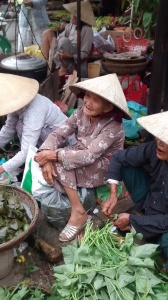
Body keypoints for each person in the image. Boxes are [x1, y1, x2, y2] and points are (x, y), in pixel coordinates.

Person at [34, 73, 131, 242]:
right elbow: (58, 134)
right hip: (80, 156)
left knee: (62, 163)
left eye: (96, 100)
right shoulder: (80, 113)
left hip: (104, 165)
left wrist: (52, 156)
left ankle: (78, 212)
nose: (87, 102)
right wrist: (46, 155)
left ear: (108, 107)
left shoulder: (113, 127)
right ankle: (79, 209)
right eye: (87, 96)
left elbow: (89, 156)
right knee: (58, 160)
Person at [102, 111, 168, 269]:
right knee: (128, 165)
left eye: (166, 140)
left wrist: (133, 221)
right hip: (150, 201)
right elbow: (118, 157)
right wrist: (113, 194)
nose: (159, 142)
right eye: (160, 136)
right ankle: (142, 214)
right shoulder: (154, 149)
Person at [0, 73, 67, 175]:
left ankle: (38, 159)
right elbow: (8, 128)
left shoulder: (35, 110)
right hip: (41, 136)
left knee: (21, 127)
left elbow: (26, 150)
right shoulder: (16, 104)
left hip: (62, 142)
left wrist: (3, 168)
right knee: (18, 126)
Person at [41, 0, 96, 77]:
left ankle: (63, 68)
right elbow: (59, 39)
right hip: (61, 56)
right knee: (47, 33)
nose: (72, 16)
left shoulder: (87, 30)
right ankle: (46, 65)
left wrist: (70, 56)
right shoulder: (70, 26)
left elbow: (84, 54)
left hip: (75, 65)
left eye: (74, 14)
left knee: (64, 41)